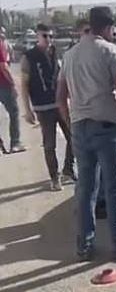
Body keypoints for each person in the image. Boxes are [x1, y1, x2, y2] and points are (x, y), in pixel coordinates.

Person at [57, 6, 116, 261]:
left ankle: (84, 246)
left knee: (85, 189)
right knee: (115, 187)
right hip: (107, 128)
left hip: (80, 127)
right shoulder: (110, 51)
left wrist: (71, 121)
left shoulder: (69, 55)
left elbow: (60, 97)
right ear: (107, 27)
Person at [21, 24, 75, 191]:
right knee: (49, 143)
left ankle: (68, 169)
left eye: (51, 36)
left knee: (74, 136)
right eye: (45, 36)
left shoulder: (54, 53)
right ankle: (54, 177)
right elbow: (24, 84)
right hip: (43, 107)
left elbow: (61, 77)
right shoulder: (29, 57)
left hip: (59, 104)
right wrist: (28, 110)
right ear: (37, 37)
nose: (49, 39)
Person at [0, 27, 26, 154]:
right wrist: (13, 83)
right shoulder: (0, 45)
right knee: (14, 112)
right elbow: (4, 66)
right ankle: (15, 143)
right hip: (3, 84)